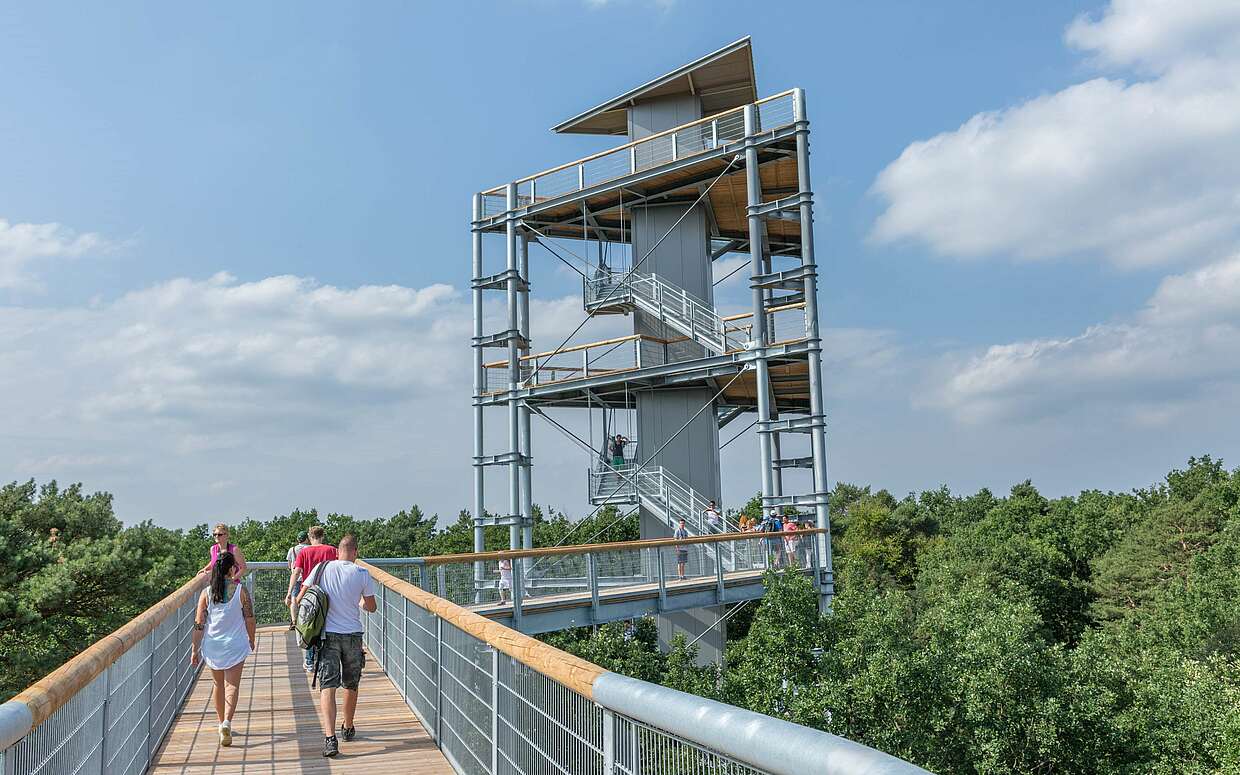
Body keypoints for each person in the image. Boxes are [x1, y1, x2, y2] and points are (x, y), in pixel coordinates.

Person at [296, 534, 376, 758]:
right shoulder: (362, 573)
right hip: (352, 635)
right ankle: (348, 727)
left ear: (338, 551)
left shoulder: (322, 568)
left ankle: (330, 739)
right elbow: (371, 606)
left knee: (327, 686)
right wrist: (358, 601)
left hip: (327, 636)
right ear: (355, 552)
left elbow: (303, 596)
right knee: (351, 684)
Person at [190, 551, 256, 747]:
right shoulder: (241, 591)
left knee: (218, 685)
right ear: (230, 569)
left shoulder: (206, 593)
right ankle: (227, 721)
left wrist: (195, 649)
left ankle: (221, 723)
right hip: (235, 644)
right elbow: (250, 619)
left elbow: (198, 624)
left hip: (213, 645)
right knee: (232, 686)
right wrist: (251, 639)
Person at [293, 526, 337, 672]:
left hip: (309, 594)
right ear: (322, 536)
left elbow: (296, 572)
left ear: (309, 537)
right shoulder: (332, 550)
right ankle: (322, 660)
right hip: (328, 593)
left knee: (310, 626)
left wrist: (289, 593)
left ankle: (310, 661)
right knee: (325, 624)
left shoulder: (304, 552)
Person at [284, 531, 310, 629]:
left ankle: (294, 621)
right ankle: (305, 621)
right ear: (306, 539)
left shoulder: (292, 549)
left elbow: (289, 564)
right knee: (307, 599)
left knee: (294, 599)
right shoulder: (309, 548)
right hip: (307, 578)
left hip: (296, 578)